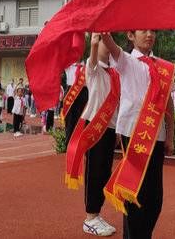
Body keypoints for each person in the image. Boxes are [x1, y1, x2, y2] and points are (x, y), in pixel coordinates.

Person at [101, 30, 175, 239]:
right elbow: (110, 42)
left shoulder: (163, 66)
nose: (149, 35)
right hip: (133, 133)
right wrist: (104, 26)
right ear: (131, 36)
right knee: (134, 192)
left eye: (153, 31)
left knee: (155, 198)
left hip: (156, 134)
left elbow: (168, 102)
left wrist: (170, 136)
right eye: (143, 30)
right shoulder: (125, 61)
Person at [68, 33, 119, 237]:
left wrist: (116, 130)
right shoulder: (93, 69)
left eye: (110, 40)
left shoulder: (114, 73)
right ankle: (90, 217)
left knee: (105, 171)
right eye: (104, 41)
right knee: (95, 171)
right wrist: (94, 44)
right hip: (95, 127)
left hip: (110, 127)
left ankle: (97, 214)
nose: (108, 44)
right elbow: (92, 61)